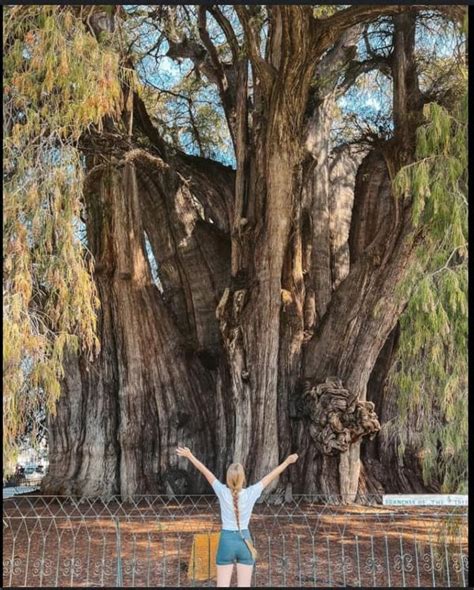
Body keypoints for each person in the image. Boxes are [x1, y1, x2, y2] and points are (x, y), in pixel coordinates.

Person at [176, 446, 298, 587]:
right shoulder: (251, 492)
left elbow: (205, 472)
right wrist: (287, 462)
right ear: (243, 478)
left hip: (226, 542)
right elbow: (270, 477)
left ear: (228, 479)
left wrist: (190, 455)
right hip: (245, 541)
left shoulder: (222, 491)